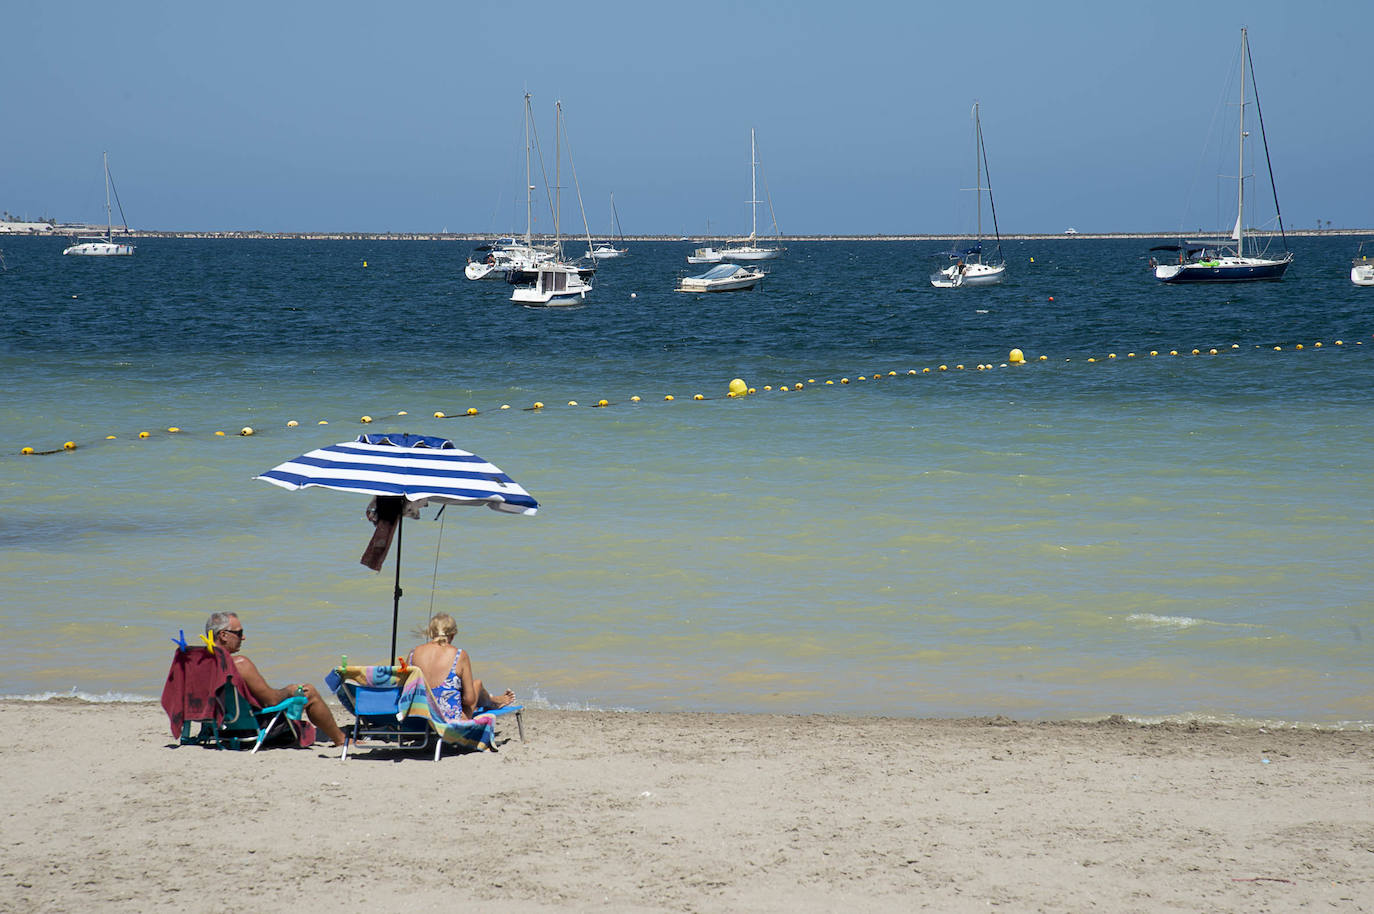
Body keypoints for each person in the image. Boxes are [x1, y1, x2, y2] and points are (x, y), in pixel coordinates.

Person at [205, 611, 347, 747]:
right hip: (249, 728)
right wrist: (289, 691)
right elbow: (271, 700)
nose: (243, 638)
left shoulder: (200, 664)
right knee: (309, 691)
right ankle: (340, 739)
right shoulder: (239, 664)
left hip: (219, 728)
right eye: (239, 633)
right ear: (223, 635)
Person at [408, 613, 515, 723]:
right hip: (446, 723)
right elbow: (469, 700)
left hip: (417, 720)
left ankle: (492, 700)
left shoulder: (413, 653)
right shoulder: (459, 655)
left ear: (430, 633)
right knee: (477, 685)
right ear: (453, 635)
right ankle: (493, 702)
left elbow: (407, 690)